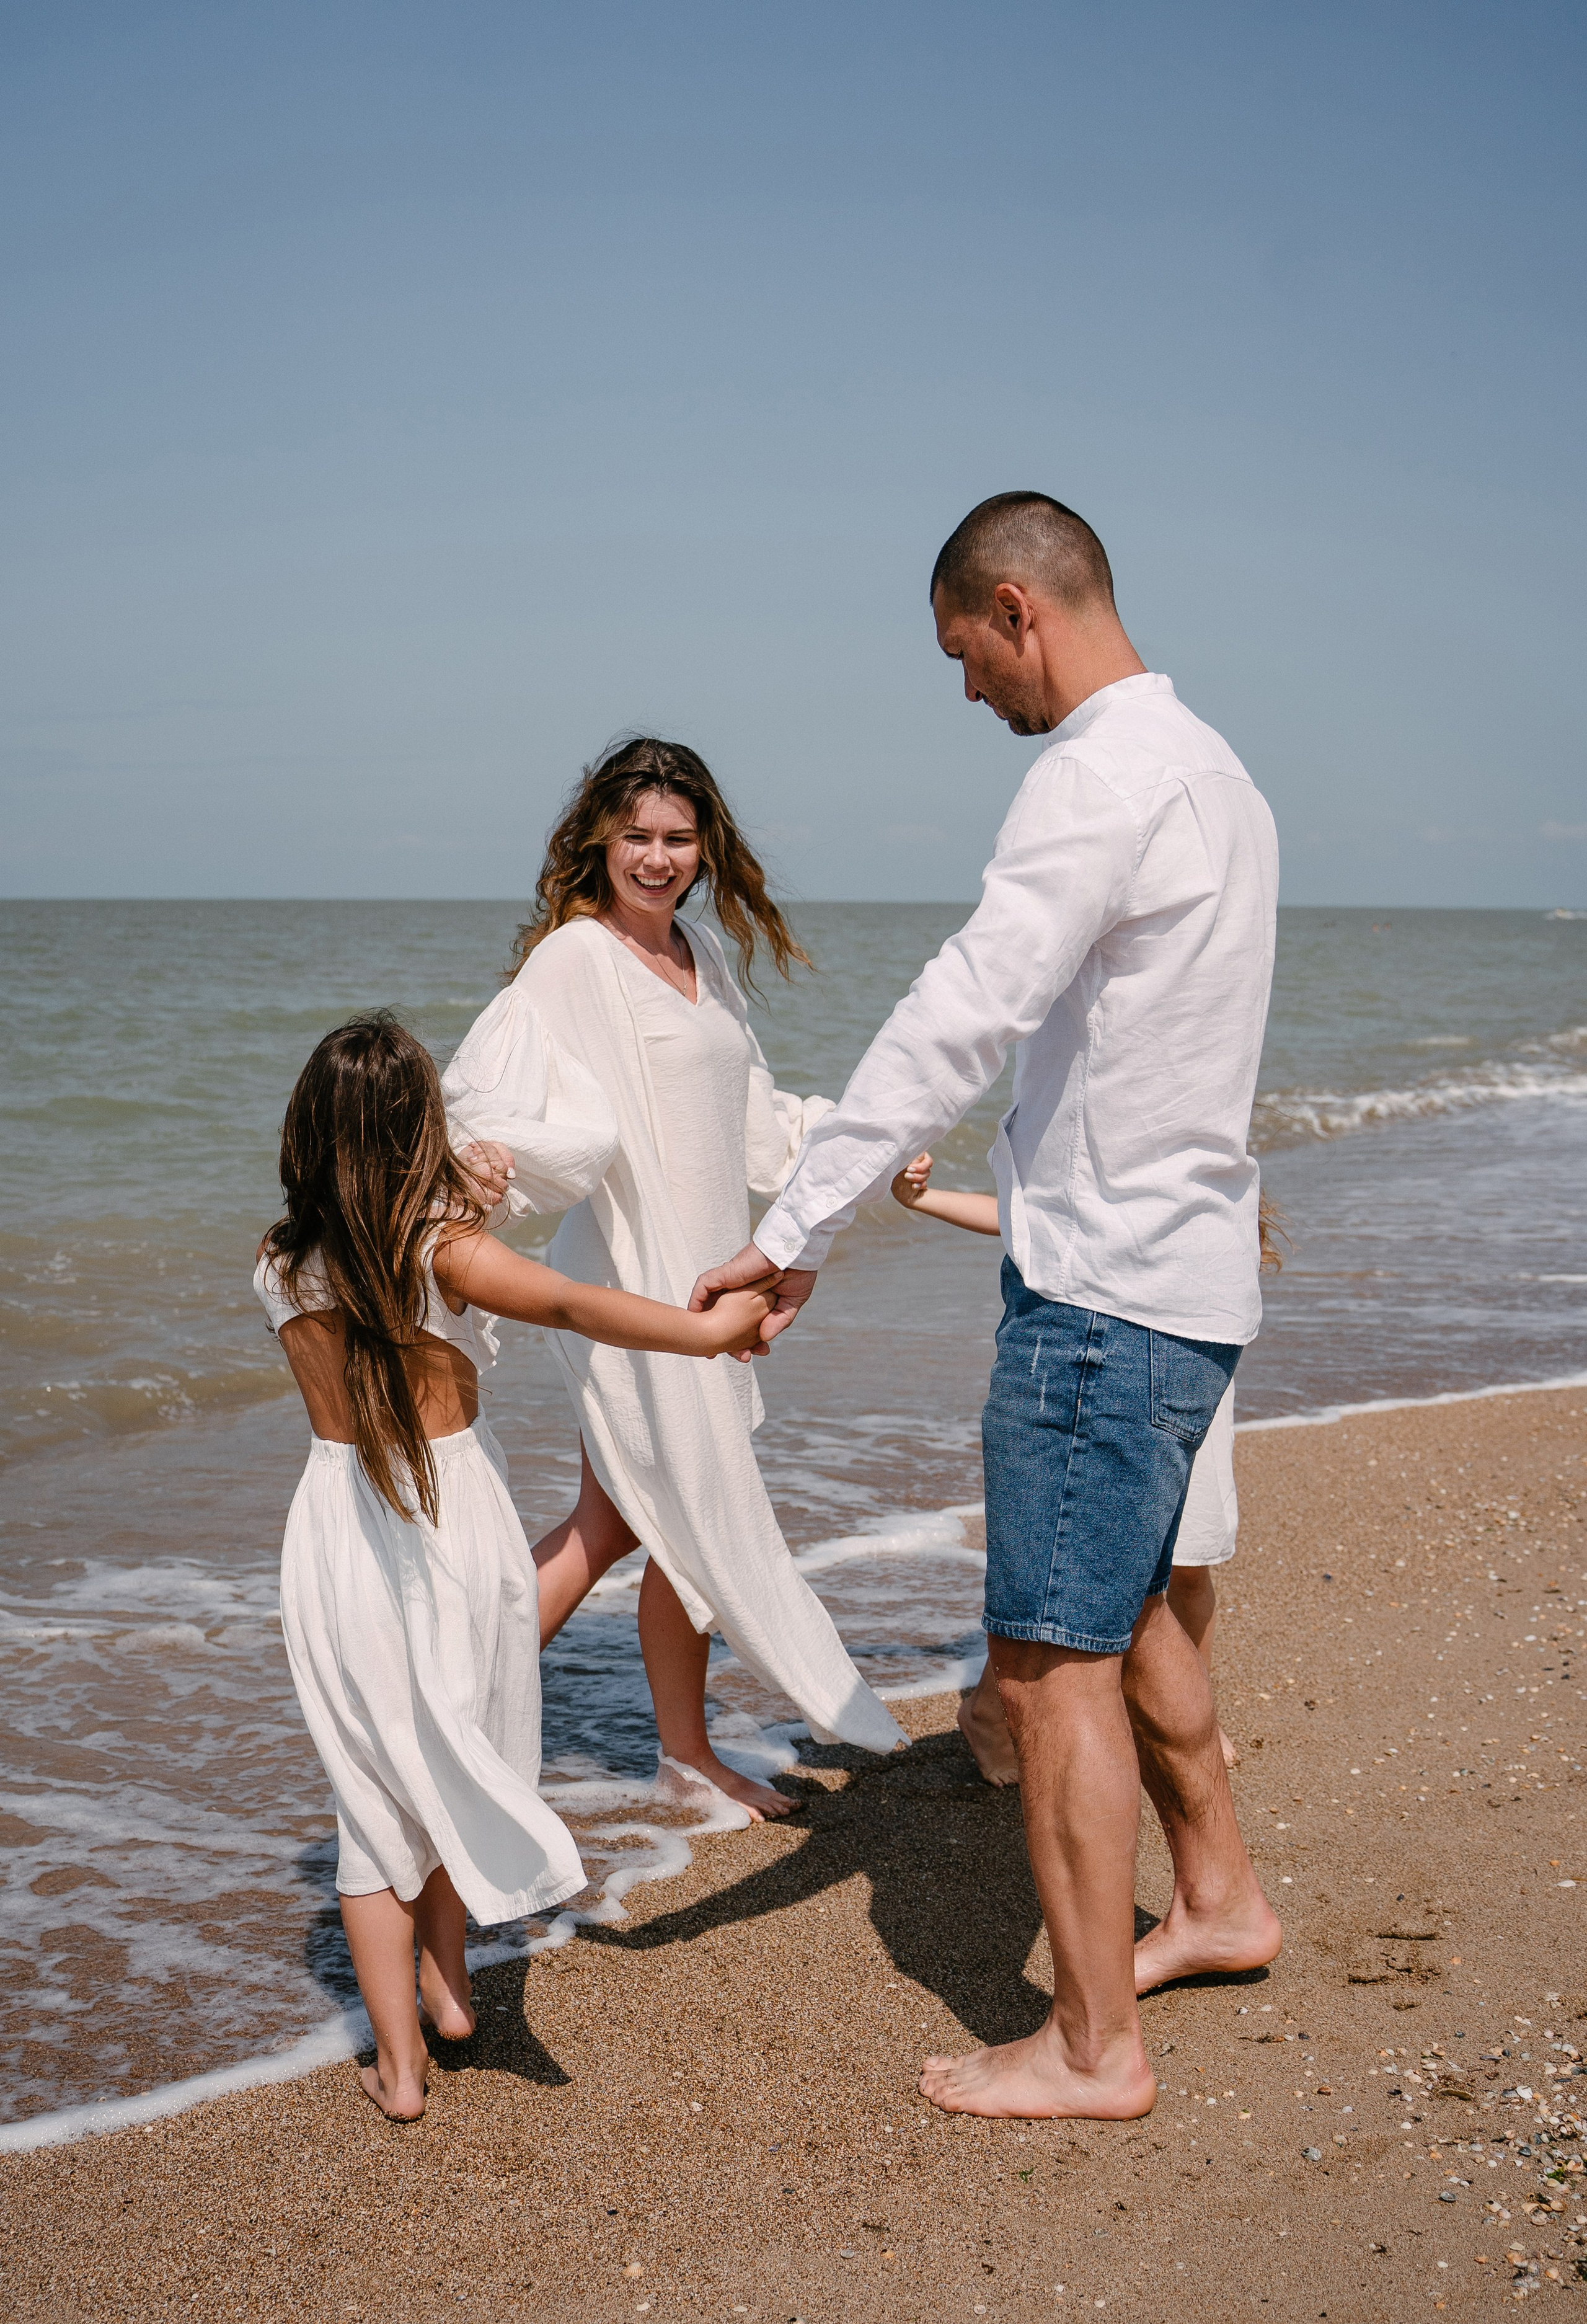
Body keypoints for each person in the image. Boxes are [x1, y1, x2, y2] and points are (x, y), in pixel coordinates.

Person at [691, 492, 1283, 2121]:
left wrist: (798, 1222)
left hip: (1100, 1305)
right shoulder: (1224, 777)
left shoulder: (1093, 776)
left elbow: (968, 1009)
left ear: (1019, 610)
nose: (969, 693)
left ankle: (1092, 2048)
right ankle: (1222, 1901)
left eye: (966, 655)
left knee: (1055, 1666)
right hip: (1193, 1278)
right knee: (1148, 1609)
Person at [256, 1011, 777, 2122]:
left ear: (307, 1130)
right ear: (419, 1129)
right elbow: (576, 1304)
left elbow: (385, 1282)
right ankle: (452, 1998)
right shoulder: (445, 1249)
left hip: (334, 1530)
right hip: (447, 1521)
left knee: (374, 1799)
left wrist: (464, 1206)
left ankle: (405, 2062)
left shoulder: (278, 1261)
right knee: (465, 1751)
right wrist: (716, 1330)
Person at [444, 738, 902, 1820]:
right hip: (627, 1288)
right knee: (631, 1521)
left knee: (649, 1518)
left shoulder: (705, 950)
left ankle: (673, 1751)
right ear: (598, 839)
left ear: (707, 847)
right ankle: (451, 1726)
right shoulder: (575, 958)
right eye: (637, 836)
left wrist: (850, 1155)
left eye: (677, 838)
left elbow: (750, 1116)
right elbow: (485, 1091)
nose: (657, 857)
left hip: (709, 1280)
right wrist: (481, 1170)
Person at [889, 1157, 1289, 1776]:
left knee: (1187, 1565)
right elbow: (1025, 1219)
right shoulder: (1096, 1155)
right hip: (1113, 1373)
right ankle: (990, 1714)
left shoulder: (1205, 1166)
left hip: (1197, 1380)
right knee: (1071, 1573)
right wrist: (923, 1199)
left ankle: (1187, 1718)